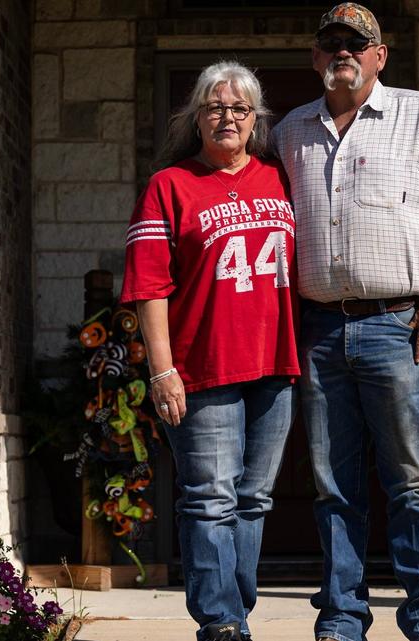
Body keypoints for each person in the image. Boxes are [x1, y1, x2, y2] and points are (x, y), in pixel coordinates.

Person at [270, 4, 419, 641]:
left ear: (379, 55)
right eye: (331, 42)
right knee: (332, 484)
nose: (343, 51)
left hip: (401, 325)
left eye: (356, 42)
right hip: (318, 330)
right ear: (316, 57)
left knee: (410, 478)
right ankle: (342, 617)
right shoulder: (289, 132)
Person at [120, 61, 300, 641]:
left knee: (253, 500)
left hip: (275, 365)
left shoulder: (280, 178)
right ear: (196, 117)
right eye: (215, 107)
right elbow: (149, 286)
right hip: (203, 367)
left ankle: (233, 613)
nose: (228, 117)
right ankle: (220, 620)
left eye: (240, 108)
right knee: (209, 500)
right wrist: (162, 370)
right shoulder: (169, 185)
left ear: (256, 119)